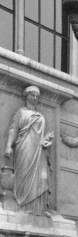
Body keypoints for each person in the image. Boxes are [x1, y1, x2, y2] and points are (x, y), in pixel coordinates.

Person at [4, 85, 53, 215]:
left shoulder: (40, 115)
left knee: (40, 178)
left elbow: (40, 135)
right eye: (33, 95)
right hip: (24, 147)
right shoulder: (20, 112)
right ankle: (23, 206)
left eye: (37, 96)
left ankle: (38, 209)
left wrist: (47, 140)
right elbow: (13, 129)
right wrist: (9, 146)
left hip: (39, 151)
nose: (35, 98)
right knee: (23, 175)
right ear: (26, 96)